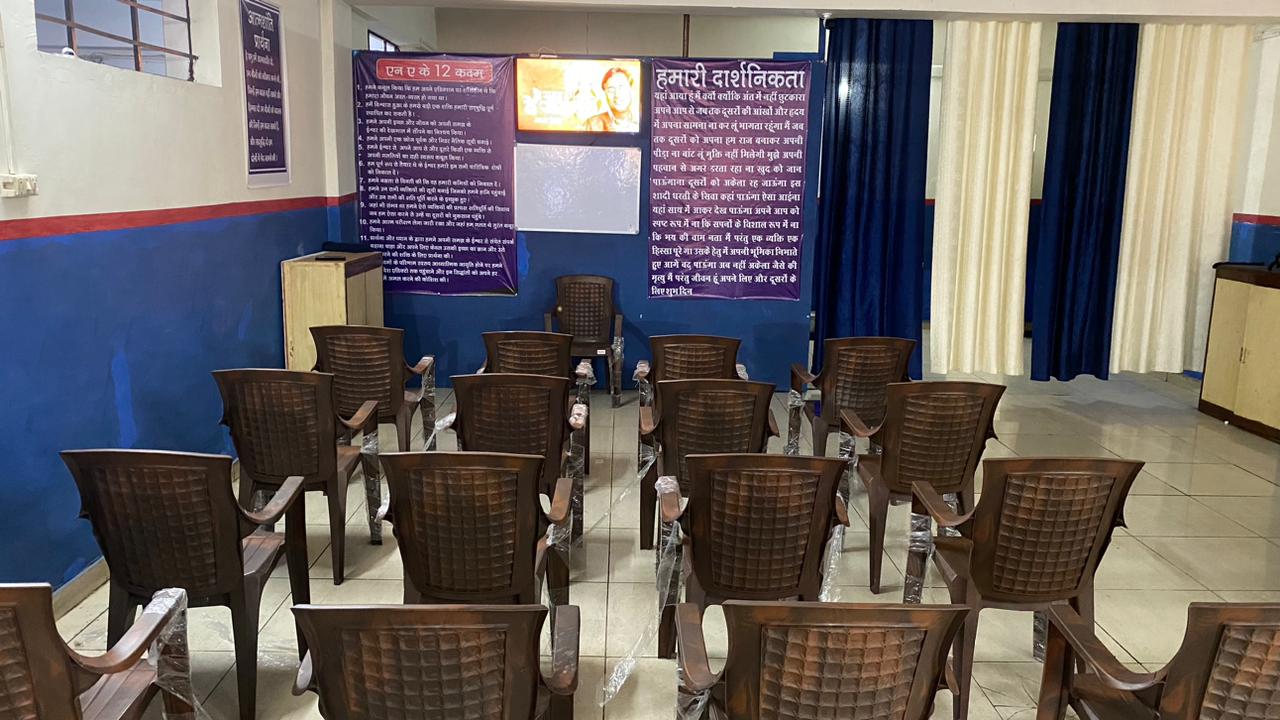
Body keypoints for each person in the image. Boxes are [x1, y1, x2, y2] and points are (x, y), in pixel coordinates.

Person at [583, 66, 638, 133]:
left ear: (631, 89)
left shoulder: (641, 121)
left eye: (621, 87)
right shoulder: (593, 124)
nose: (617, 95)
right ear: (605, 95)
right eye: (611, 90)